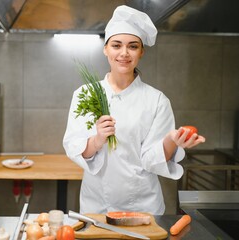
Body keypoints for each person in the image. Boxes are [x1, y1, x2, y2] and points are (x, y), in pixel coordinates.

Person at [63, 5, 206, 215]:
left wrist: (172, 140)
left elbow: (152, 158)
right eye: (116, 45)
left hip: (142, 207)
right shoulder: (86, 95)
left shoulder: (156, 100)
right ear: (105, 49)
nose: (124, 53)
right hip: (97, 205)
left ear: (141, 52)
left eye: (132, 46)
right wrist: (97, 140)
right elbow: (74, 147)